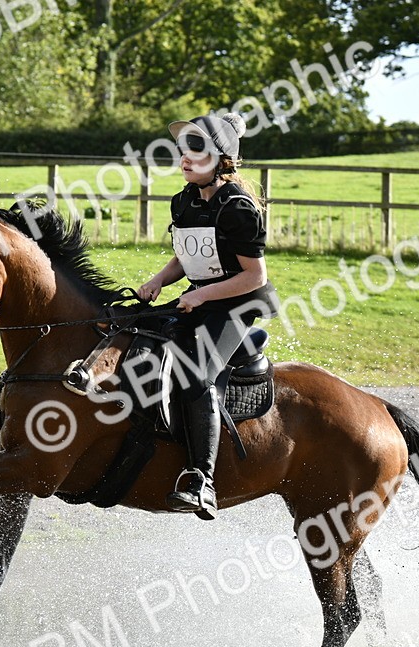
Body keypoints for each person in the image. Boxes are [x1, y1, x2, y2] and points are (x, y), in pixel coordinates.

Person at [137, 113, 280, 520]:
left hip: (238, 303)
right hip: (200, 296)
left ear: (221, 159)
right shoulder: (182, 199)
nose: (184, 157)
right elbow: (188, 257)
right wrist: (158, 281)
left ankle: (202, 480)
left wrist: (202, 298)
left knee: (198, 375)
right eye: (182, 149)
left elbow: (254, 276)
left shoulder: (238, 207)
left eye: (195, 149)